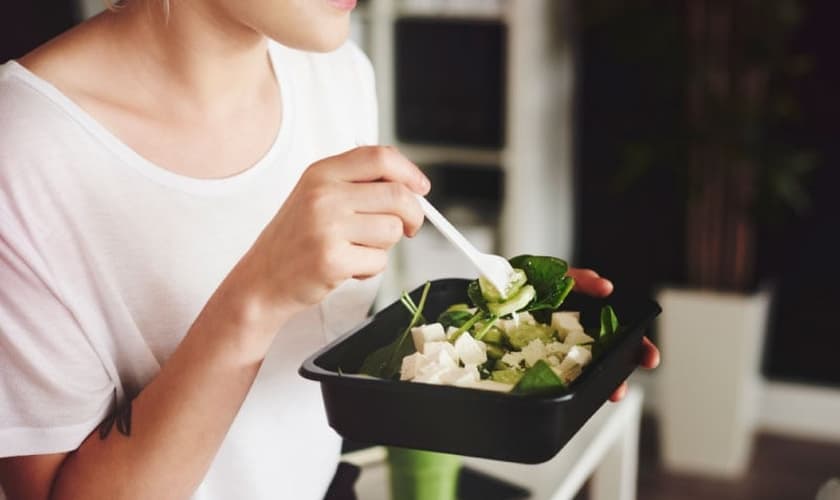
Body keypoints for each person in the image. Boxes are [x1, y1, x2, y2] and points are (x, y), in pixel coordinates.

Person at [0, 1, 660, 498]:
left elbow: (321, 375)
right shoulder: (24, 152)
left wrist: (509, 353)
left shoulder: (337, 75)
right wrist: (252, 299)